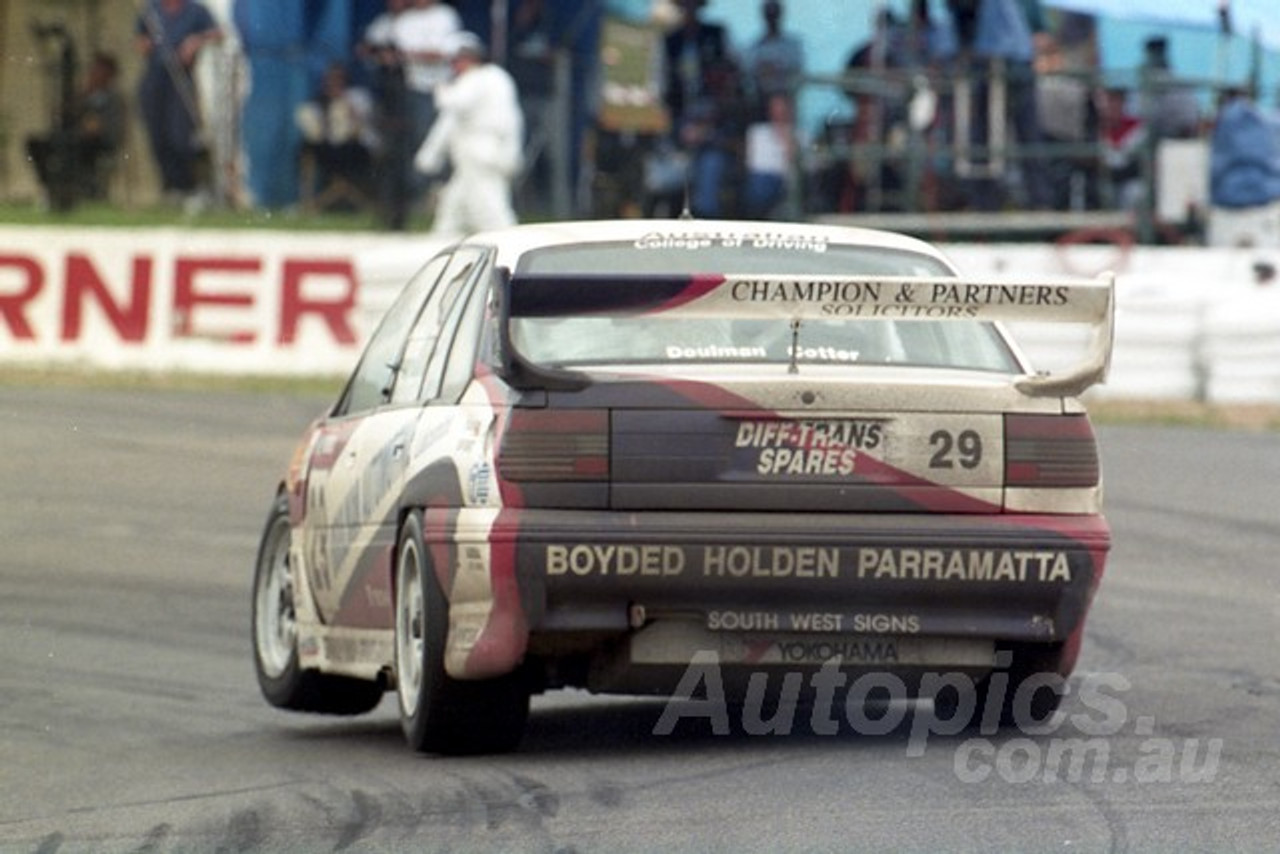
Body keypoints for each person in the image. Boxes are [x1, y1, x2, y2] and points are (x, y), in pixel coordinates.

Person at [414, 32, 523, 236]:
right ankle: (439, 245)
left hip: (479, 152)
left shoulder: (476, 79)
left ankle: (512, 250)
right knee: (453, 208)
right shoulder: (499, 77)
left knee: (491, 208)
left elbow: (452, 106)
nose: (453, 67)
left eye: (454, 61)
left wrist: (441, 89)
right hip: (488, 153)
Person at [947, 0, 1051, 210]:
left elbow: (1041, 31)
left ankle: (1037, 201)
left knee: (1022, 134)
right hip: (993, 64)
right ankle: (986, 202)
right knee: (987, 137)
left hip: (1011, 64)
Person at [134, 0, 222, 204]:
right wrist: (144, 44)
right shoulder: (151, 10)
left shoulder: (197, 11)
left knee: (180, 135)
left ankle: (189, 185)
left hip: (182, 79)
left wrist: (196, 41)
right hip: (155, 78)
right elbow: (139, 39)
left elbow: (218, 33)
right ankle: (170, 187)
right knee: (158, 135)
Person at [26, 51, 126, 208]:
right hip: (77, 138)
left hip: (99, 144)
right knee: (38, 144)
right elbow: (63, 116)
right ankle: (49, 186)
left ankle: (75, 192)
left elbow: (105, 128)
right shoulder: (83, 95)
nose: (94, 74)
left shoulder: (113, 99)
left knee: (70, 146)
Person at [295, 63, 379, 209]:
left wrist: (347, 105)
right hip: (329, 148)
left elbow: (363, 125)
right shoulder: (318, 102)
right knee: (305, 148)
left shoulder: (358, 96)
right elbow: (313, 129)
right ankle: (308, 203)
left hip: (355, 148)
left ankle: (361, 200)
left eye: (338, 79)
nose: (333, 83)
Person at [1206, 88, 1280, 248]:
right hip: (1265, 203)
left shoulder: (1224, 127)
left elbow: (1215, 169)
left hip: (1227, 206)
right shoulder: (1266, 123)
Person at [742, 0, 804, 117]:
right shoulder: (755, 46)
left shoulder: (792, 45)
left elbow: (796, 69)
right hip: (760, 100)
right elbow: (749, 70)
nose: (772, 18)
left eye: (774, 14)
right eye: (768, 14)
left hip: (786, 99)